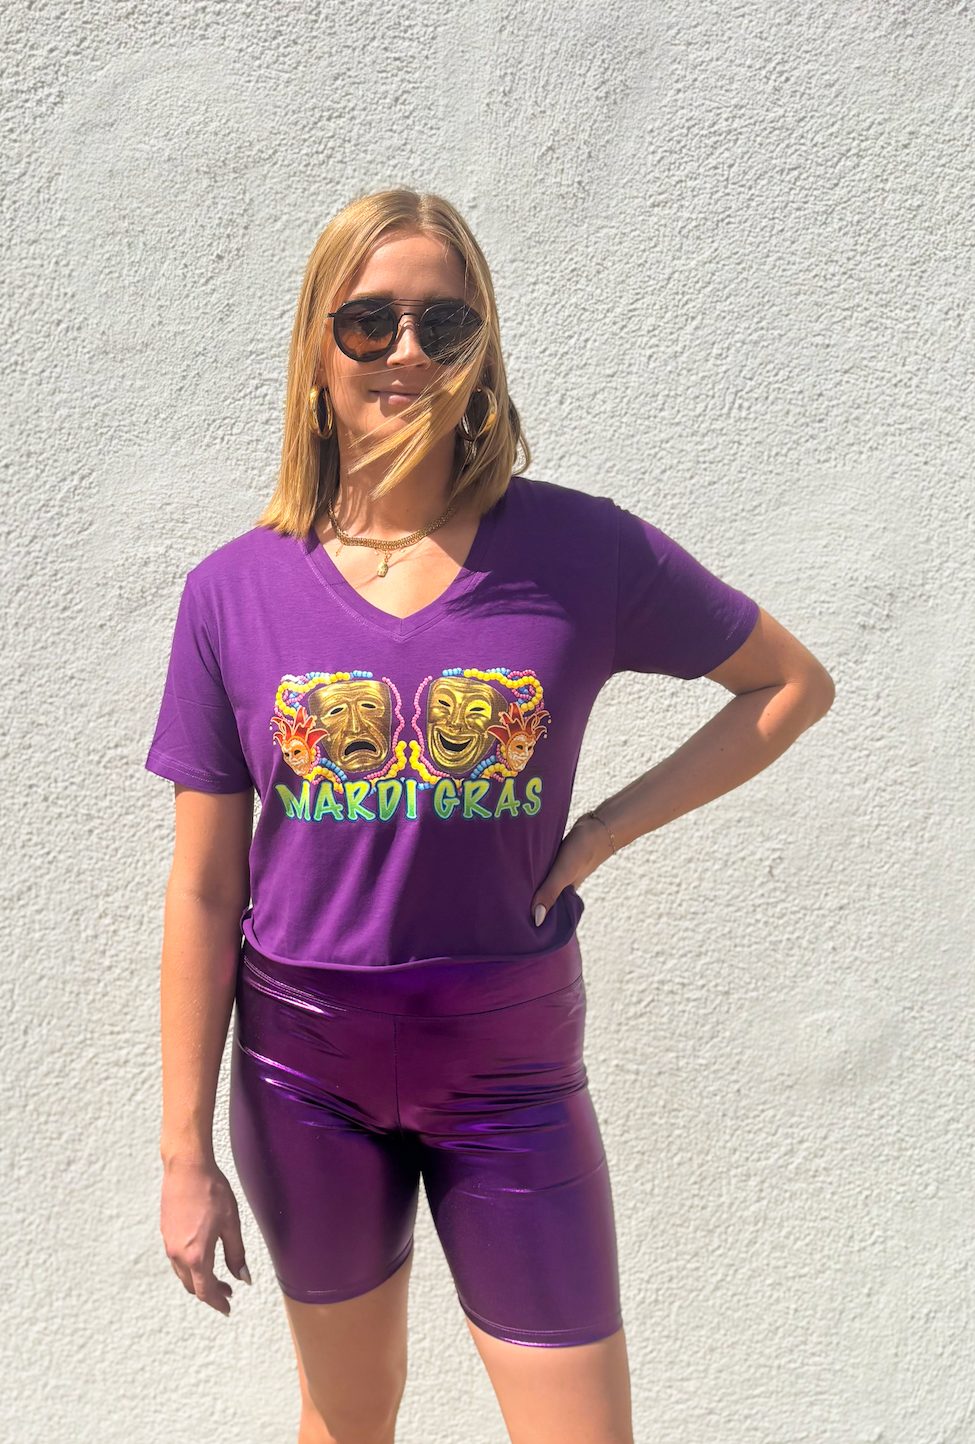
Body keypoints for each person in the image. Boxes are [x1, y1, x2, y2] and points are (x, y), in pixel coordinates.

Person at [148, 189, 835, 1444]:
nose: (405, 350)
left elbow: (787, 685)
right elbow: (203, 888)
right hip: (304, 1068)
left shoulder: (580, 553)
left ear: (480, 349)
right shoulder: (232, 592)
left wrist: (604, 831)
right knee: (347, 1421)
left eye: (442, 321)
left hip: (508, 1064)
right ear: (317, 348)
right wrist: (182, 1155)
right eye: (368, 321)